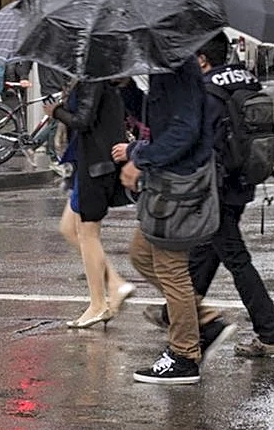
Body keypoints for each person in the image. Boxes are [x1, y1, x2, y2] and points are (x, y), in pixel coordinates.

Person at [144, 32, 274, 358]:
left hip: (216, 187)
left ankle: (269, 329)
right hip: (243, 180)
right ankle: (179, 312)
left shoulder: (208, 89)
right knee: (209, 250)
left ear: (202, 59)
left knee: (235, 257)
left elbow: (197, 138)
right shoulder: (245, 80)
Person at [113, 58, 236, 385]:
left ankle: (184, 356)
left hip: (178, 186)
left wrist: (139, 158)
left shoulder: (177, 65)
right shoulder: (165, 65)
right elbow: (160, 120)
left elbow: (183, 131)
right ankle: (204, 322)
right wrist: (126, 88)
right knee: (142, 254)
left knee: (171, 269)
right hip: (167, 185)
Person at [44, 80, 134, 328]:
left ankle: (98, 304)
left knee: (87, 233)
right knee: (68, 228)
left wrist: (56, 112)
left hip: (95, 164)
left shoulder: (94, 77)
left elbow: (83, 120)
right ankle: (114, 283)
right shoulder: (96, 78)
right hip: (87, 163)